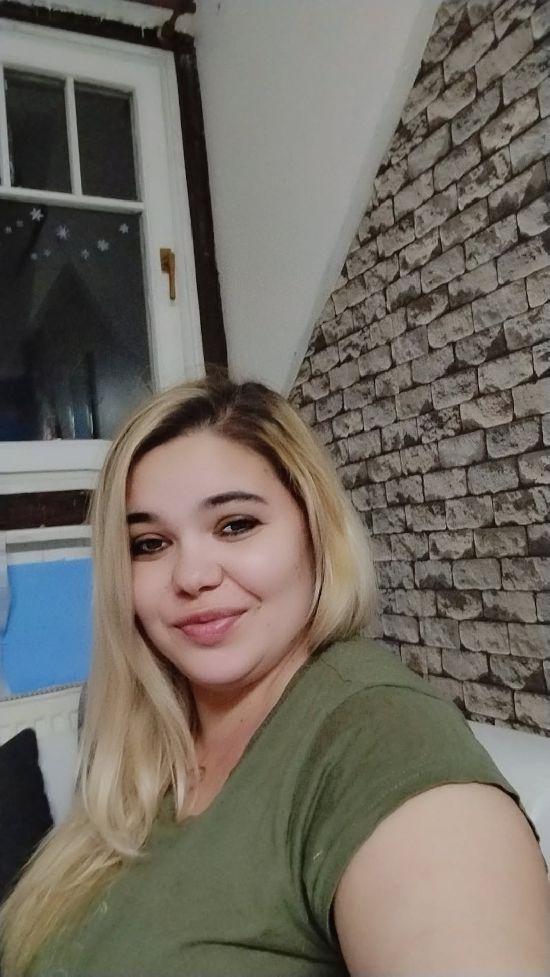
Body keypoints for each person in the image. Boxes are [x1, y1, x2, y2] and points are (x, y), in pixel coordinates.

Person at [1, 375, 549, 976]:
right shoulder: (137, 727)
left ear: (315, 531)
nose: (192, 576)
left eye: (235, 525)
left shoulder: (380, 733)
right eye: (150, 544)